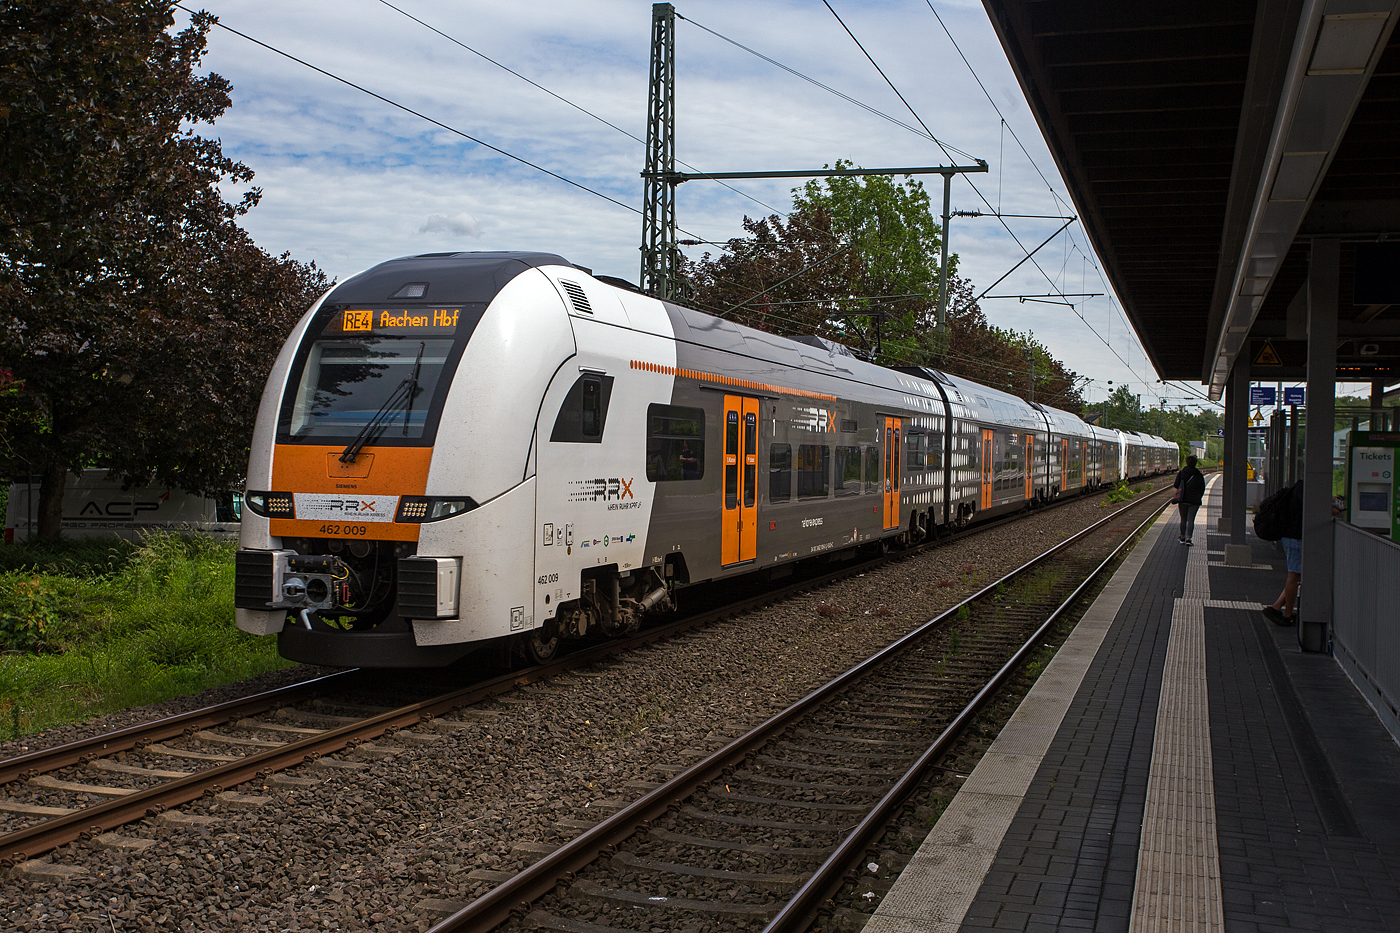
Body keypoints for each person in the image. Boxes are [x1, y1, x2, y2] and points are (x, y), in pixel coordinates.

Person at [1263, 479, 1305, 626]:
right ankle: (1287, 616)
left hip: (1290, 537)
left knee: (1296, 575)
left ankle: (1276, 607)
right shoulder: (1305, 491)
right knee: (1294, 576)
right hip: (1295, 538)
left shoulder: (1297, 488)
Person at [1172, 455, 1206, 545]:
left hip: (1183, 499)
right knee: (1191, 520)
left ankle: (1182, 537)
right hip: (1194, 501)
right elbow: (1202, 488)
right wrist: (1198, 496)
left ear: (1187, 462)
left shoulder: (1182, 473)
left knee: (1183, 519)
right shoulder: (1198, 474)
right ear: (1195, 463)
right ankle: (1189, 539)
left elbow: (1176, 485)